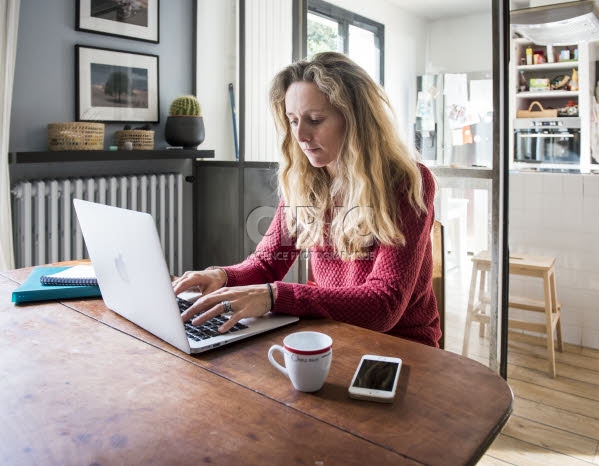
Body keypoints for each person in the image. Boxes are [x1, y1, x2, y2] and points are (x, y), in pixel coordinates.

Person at [174, 52, 440, 347]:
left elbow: (383, 306)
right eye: (293, 120)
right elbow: (266, 264)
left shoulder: (405, 181)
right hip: (334, 335)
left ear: (356, 119)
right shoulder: (305, 180)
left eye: (315, 120)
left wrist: (274, 296)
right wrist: (221, 276)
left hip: (404, 347)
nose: (300, 135)